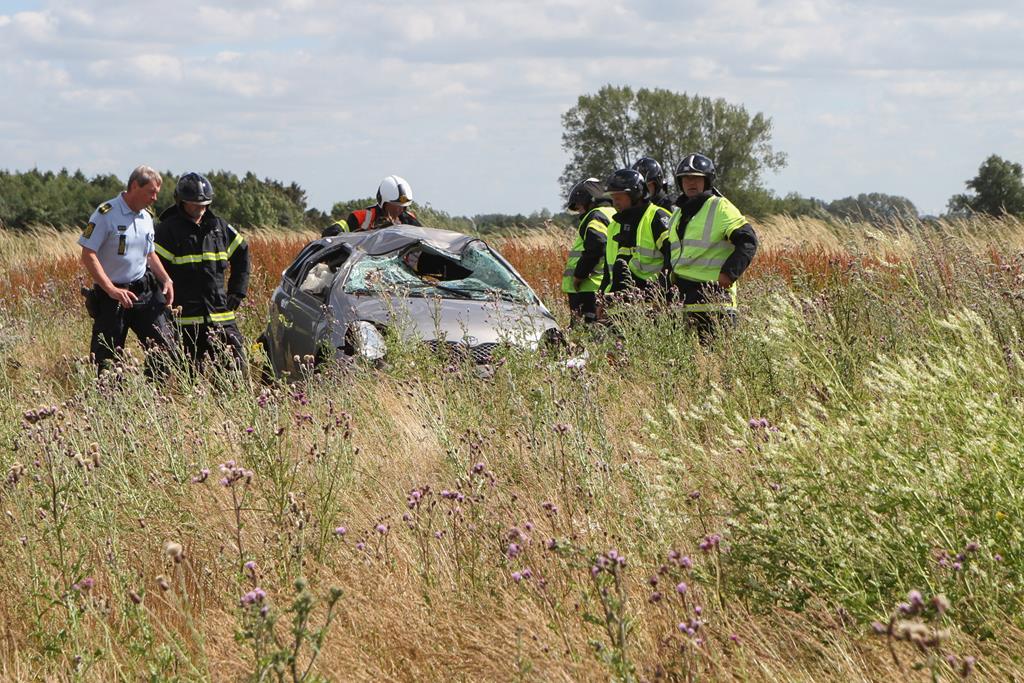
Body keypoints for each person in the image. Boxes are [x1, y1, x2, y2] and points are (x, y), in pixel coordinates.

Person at [78, 165, 177, 375]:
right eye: (151, 192)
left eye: (157, 193)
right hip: (112, 296)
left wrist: (166, 279)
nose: (155, 198)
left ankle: (153, 396)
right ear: (134, 186)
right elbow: (88, 254)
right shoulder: (105, 213)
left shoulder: (146, 218)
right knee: (106, 359)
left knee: (165, 348)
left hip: (144, 291)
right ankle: (112, 401)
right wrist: (111, 290)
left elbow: (149, 254)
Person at [154, 172, 250, 371]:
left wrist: (237, 291)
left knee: (236, 371)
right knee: (189, 378)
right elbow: (153, 268)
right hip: (185, 321)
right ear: (181, 202)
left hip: (221, 317)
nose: (201, 209)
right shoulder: (167, 230)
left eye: (205, 204)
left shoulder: (219, 227)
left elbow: (242, 254)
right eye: (195, 204)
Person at [666, 153, 758, 338]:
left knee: (718, 366)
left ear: (707, 181)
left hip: (716, 305)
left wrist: (728, 275)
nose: (690, 182)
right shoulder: (677, 215)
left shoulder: (720, 206)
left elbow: (748, 241)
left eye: (696, 178)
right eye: (686, 178)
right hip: (684, 305)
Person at [601, 169, 672, 297]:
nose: (615, 203)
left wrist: (662, 293)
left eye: (619, 197)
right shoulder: (615, 225)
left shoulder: (657, 217)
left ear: (636, 195)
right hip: (616, 305)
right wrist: (601, 298)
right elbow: (608, 271)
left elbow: (672, 256)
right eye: (613, 198)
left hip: (650, 304)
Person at [561, 178, 615, 323]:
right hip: (600, 286)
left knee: (585, 335)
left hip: (587, 287)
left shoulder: (596, 216)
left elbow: (596, 245)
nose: (579, 212)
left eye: (579, 207)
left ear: (589, 201)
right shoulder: (612, 213)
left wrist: (579, 275)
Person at [322, 175, 423, 236]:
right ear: (383, 203)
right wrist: (335, 232)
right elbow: (333, 231)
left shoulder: (409, 220)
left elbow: (425, 237)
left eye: (403, 206)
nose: (399, 210)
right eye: (394, 206)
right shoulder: (362, 217)